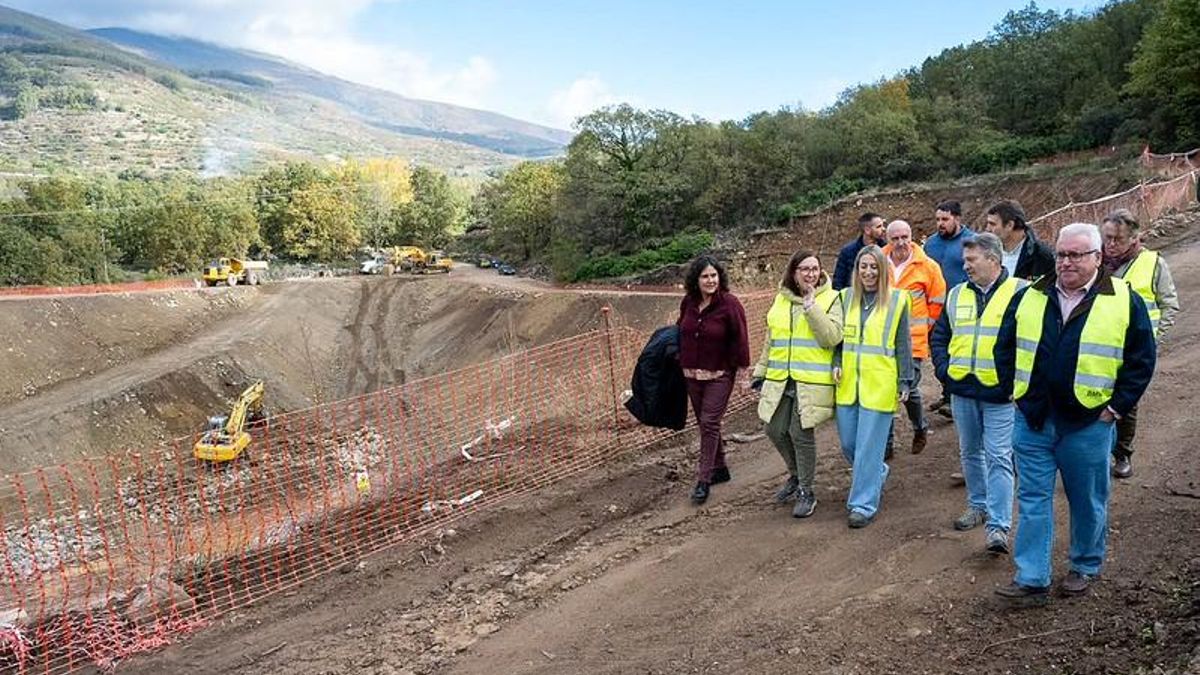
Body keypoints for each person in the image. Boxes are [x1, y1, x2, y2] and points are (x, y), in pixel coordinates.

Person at [993, 223, 1156, 606]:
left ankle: (1084, 564)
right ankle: (1032, 578)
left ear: (1098, 257)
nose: (1066, 261)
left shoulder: (1122, 299)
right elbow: (1005, 347)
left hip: (1088, 423)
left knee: (1086, 499)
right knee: (1033, 499)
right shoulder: (1031, 294)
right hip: (1033, 420)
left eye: (1076, 255)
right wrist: (1014, 393)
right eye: (1062, 254)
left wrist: (1116, 408)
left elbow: (1141, 360)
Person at [930, 233, 1023, 555]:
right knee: (970, 452)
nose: (965, 265)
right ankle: (977, 505)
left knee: (999, 456)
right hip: (963, 389)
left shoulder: (1021, 293)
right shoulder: (956, 295)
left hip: (1000, 394)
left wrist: (1016, 382)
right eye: (964, 260)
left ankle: (998, 527)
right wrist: (943, 368)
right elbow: (940, 334)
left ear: (994, 260)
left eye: (971, 260)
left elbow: (1033, 342)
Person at [751, 250, 844, 518]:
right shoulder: (780, 300)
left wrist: (812, 307)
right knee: (774, 429)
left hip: (810, 380)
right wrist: (761, 371)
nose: (810, 274)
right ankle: (795, 476)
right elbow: (772, 340)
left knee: (800, 433)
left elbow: (832, 337)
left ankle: (806, 490)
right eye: (804, 269)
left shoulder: (831, 298)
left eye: (815, 269)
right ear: (794, 272)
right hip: (781, 378)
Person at [833, 246, 913, 528]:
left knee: (868, 446)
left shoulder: (897, 300)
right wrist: (835, 360)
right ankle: (876, 470)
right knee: (849, 443)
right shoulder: (844, 298)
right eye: (863, 266)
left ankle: (862, 504)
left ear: (882, 270)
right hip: (847, 384)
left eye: (873, 267)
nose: (868, 272)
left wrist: (906, 379)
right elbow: (837, 339)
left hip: (879, 383)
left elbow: (903, 343)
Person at [1100, 208, 1180, 479]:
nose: (1111, 244)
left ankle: (1122, 454)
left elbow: (1169, 305)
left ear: (1134, 239)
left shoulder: (1153, 264)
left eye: (1118, 239)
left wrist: (1152, 341)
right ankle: (1096, 455)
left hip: (1133, 348)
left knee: (1126, 403)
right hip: (1097, 345)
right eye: (1107, 237)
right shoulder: (1095, 261)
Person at [677, 255, 751, 505]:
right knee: (706, 424)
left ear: (720, 277)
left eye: (713, 275)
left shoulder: (730, 304)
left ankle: (703, 480)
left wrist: (742, 373)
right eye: (705, 276)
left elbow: (741, 339)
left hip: (720, 374)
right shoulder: (688, 302)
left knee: (709, 422)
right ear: (696, 280)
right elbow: (681, 329)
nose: (710, 280)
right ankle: (720, 468)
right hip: (691, 375)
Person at [883, 219, 945, 455]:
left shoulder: (927, 266)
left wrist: (924, 328)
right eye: (895, 238)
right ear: (888, 240)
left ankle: (920, 426)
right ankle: (886, 445)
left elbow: (937, 301)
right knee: (886, 390)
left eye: (904, 237)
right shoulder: (878, 262)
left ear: (911, 237)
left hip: (913, 341)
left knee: (908, 388)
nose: (900, 243)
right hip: (883, 341)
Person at [924, 200, 976, 414]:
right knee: (939, 352)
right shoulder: (930, 244)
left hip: (963, 308)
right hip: (936, 309)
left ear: (957, 218)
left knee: (959, 352)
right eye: (937, 219)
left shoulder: (972, 242)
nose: (940, 223)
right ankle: (948, 393)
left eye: (945, 219)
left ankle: (955, 399)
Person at [985, 200, 1054, 282]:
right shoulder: (985, 252)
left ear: (1010, 225)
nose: (987, 229)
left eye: (992, 224)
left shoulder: (1041, 256)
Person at [833, 212, 887, 291]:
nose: (883, 229)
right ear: (867, 230)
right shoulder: (847, 252)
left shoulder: (886, 249)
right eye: (879, 227)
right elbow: (838, 281)